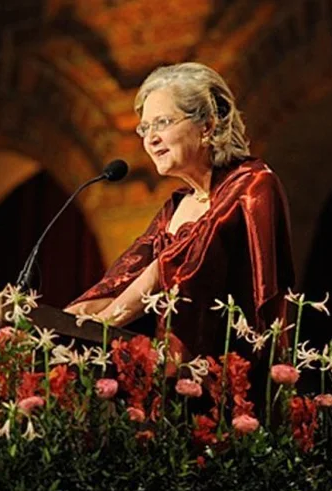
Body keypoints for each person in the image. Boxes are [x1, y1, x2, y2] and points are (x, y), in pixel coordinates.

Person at [65, 62, 295, 363]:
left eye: (162, 122)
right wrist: (66, 320)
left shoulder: (253, 184)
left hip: (229, 376)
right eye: (144, 128)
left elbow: (190, 261)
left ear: (208, 126)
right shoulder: (176, 206)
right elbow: (125, 277)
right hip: (170, 379)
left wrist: (106, 323)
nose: (150, 139)